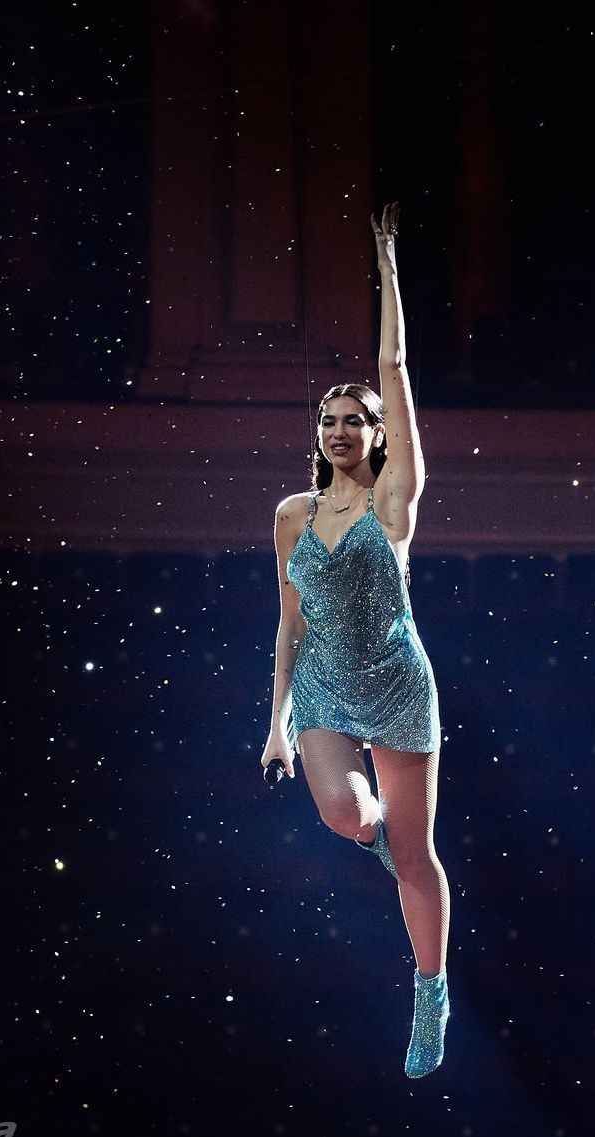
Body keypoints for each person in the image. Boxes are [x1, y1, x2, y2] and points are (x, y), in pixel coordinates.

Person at [260, 202, 450, 1079]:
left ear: (376, 435)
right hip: (327, 688)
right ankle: (370, 832)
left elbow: (394, 368)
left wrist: (388, 265)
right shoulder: (291, 515)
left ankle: (430, 990)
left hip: (400, 685)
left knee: (415, 856)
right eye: (327, 422)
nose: (338, 432)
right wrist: (275, 725)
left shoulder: (392, 502)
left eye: (353, 421)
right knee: (345, 815)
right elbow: (289, 624)